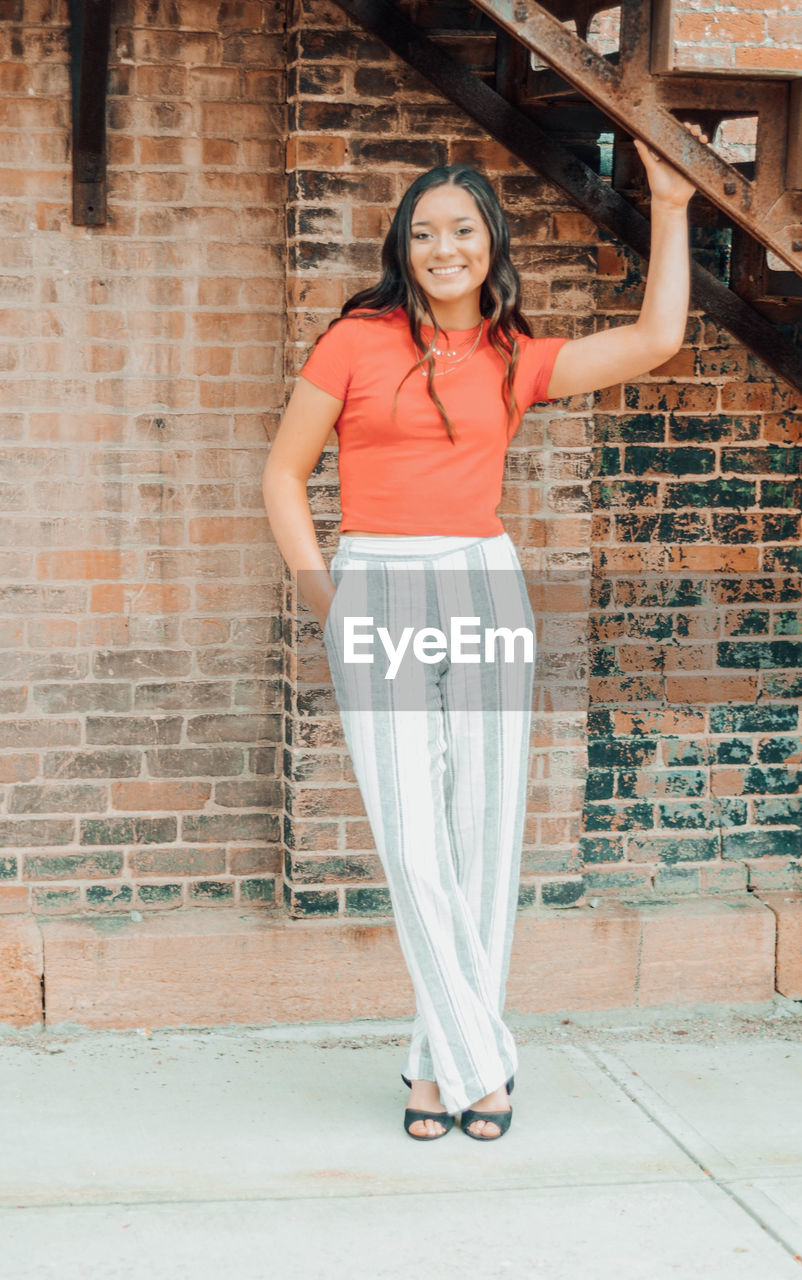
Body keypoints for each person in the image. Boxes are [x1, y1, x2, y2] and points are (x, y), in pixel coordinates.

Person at [262, 128, 706, 1141]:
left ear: (488, 245)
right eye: (425, 232)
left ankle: (435, 1065)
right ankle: (482, 1061)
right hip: (373, 583)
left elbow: (653, 341)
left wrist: (672, 208)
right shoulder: (353, 342)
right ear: (403, 246)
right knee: (413, 840)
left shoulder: (513, 358)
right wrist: (324, 595)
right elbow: (281, 474)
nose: (443, 247)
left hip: (482, 584)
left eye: (462, 229)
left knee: (482, 832)